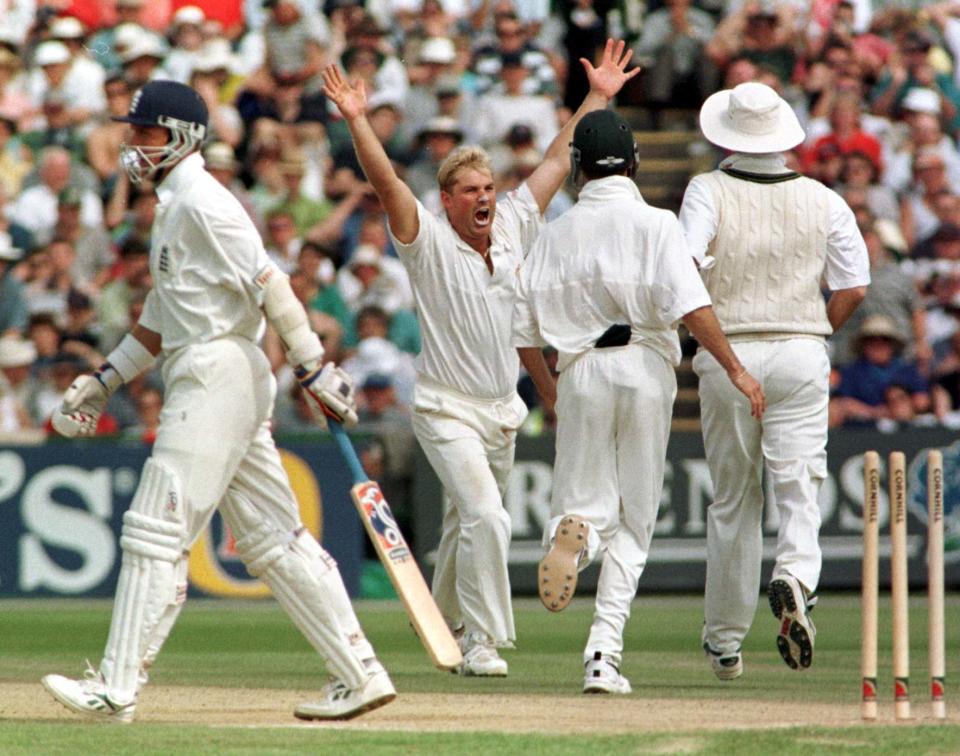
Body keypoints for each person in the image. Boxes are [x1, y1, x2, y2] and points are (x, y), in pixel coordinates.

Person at [40, 79, 395, 723]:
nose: (132, 143)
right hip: (212, 368)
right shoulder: (175, 205)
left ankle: (116, 688)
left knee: (156, 527)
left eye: (144, 133)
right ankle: (360, 674)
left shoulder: (205, 201)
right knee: (273, 541)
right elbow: (161, 313)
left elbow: (270, 282)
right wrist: (104, 380)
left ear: (181, 138)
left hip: (216, 373)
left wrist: (315, 367)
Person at [321, 38, 638, 677]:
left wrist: (596, 98)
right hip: (444, 408)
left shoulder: (518, 221)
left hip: (501, 409)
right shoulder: (426, 240)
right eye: (469, 190)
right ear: (447, 200)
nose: (484, 197)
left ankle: (442, 622)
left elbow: (555, 158)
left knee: (471, 527)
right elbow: (385, 182)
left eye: (489, 186)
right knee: (488, 516)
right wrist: (358, 121)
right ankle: (482, 641)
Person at [513, 109, 765, 695]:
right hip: (646, 368)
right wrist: (735, 368)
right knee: (637, 519)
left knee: (583, 499)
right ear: (632, 163)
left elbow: (524, 332)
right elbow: (691, 307)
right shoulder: (656, 225)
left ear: (577, 169)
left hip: (579, 369)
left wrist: (551, 395)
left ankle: (577, 534)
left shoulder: (552, 234)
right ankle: (602, 652)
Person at [678, 82, 870, 679]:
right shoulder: (823, 197)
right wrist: (814, 330)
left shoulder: (707, 189)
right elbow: (855, 285)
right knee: (799, 487)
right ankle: (795, 577)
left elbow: (685, 271)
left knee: (735, 499)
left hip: (730, 354)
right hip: (800, 351)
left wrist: (730, 358)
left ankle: (725, 643)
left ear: (727, 135)